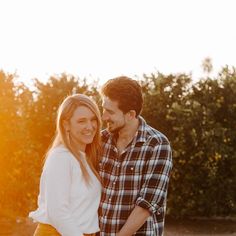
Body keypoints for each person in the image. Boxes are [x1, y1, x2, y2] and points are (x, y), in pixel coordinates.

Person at [98, 76, 173, 236]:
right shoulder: (100, 140)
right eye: (104, 109)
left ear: (131, 114)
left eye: (110, 112)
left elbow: (147, 204)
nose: (103, 117)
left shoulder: (157, 144)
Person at [29, 94, 102, 236]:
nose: (90, 126)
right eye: (81, 121)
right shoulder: (61, 157)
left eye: (93, 119)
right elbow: (58, 213)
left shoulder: (85, 158)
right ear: (66, 124)